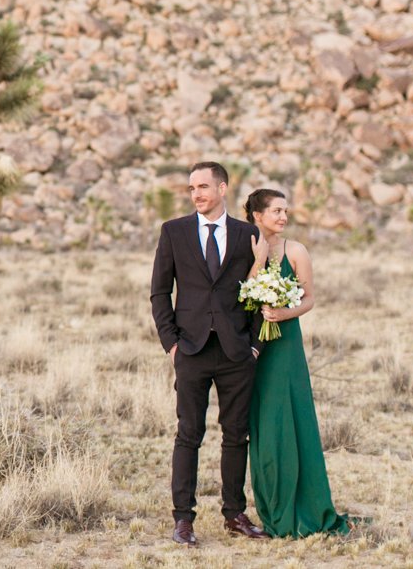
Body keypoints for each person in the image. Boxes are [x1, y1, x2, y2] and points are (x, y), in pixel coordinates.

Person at [150, 162, 271, 547]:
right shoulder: (174, 232)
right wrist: (171, 342)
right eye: (191, 188)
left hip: (237, 351)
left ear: (222, 188)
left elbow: (260, 288)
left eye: (203, 186)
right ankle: (183, 520)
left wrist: (254, 344)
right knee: (189, 435)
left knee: (237, 436)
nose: (196, 193)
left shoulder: (247, 233)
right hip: (191, 349)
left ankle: (234, 514)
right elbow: (159, 291)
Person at [244, 188, 352, 537]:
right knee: (264, 423)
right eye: (276, 211)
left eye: (285, 211)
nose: (283, 217)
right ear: (257, 216)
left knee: (292, 418)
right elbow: (242, 293)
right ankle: (272, 506)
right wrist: (258, 260)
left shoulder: (297, 251)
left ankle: (305, 506)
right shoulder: (244, 247)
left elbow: (309, 298)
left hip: (286, 345)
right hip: (253, 347)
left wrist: (283, 312)